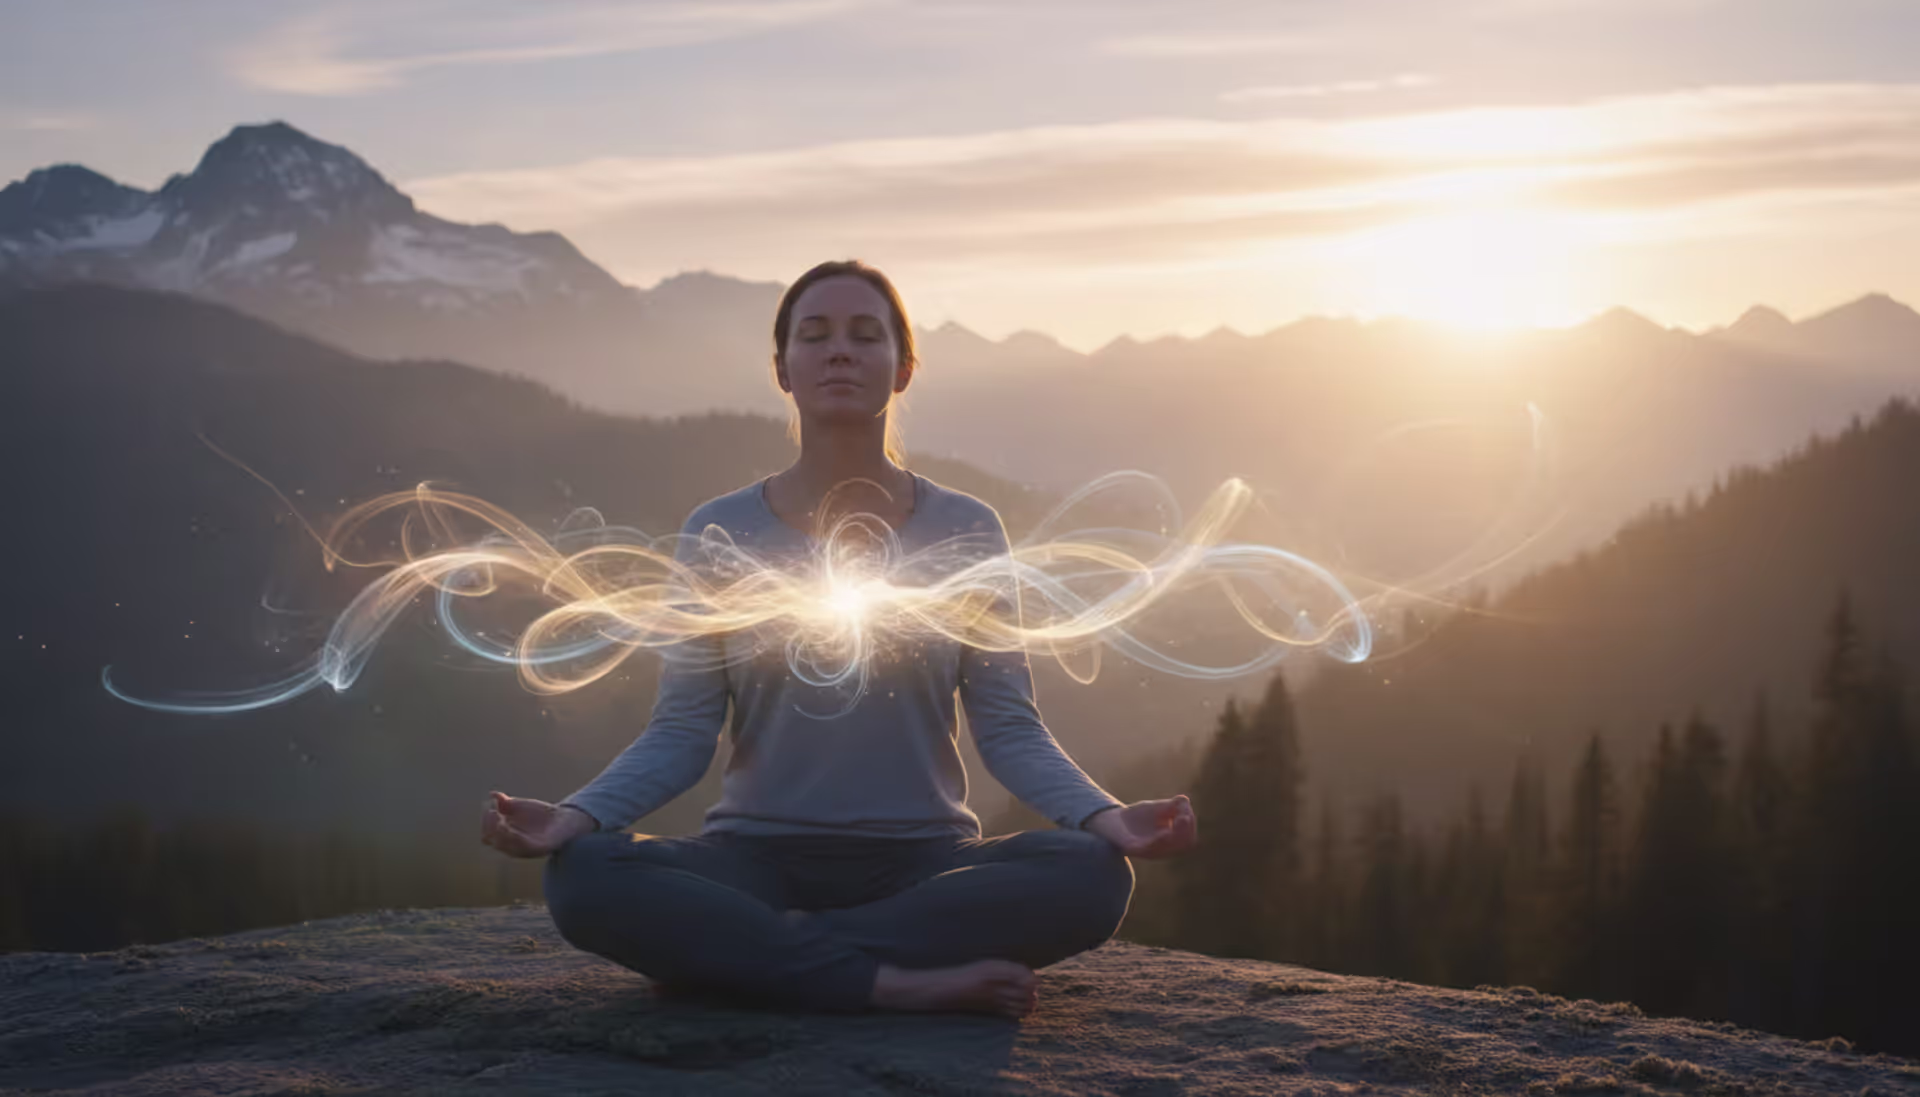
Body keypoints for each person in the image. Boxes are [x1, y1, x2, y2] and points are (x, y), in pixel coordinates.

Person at [480, 259, 1198, 1019]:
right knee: (584, 873)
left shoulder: (966, 528)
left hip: (926, 864)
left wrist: (1105, 816)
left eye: (866, 334)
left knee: (1092, 873)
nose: (841, 351)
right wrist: (574, 816)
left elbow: (1008, 724)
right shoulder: (720, 530)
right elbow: (682, 731)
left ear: (904, 367)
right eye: (814, 335)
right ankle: (889, 982)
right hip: (751, 859)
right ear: (783, 368)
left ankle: (752, 958)